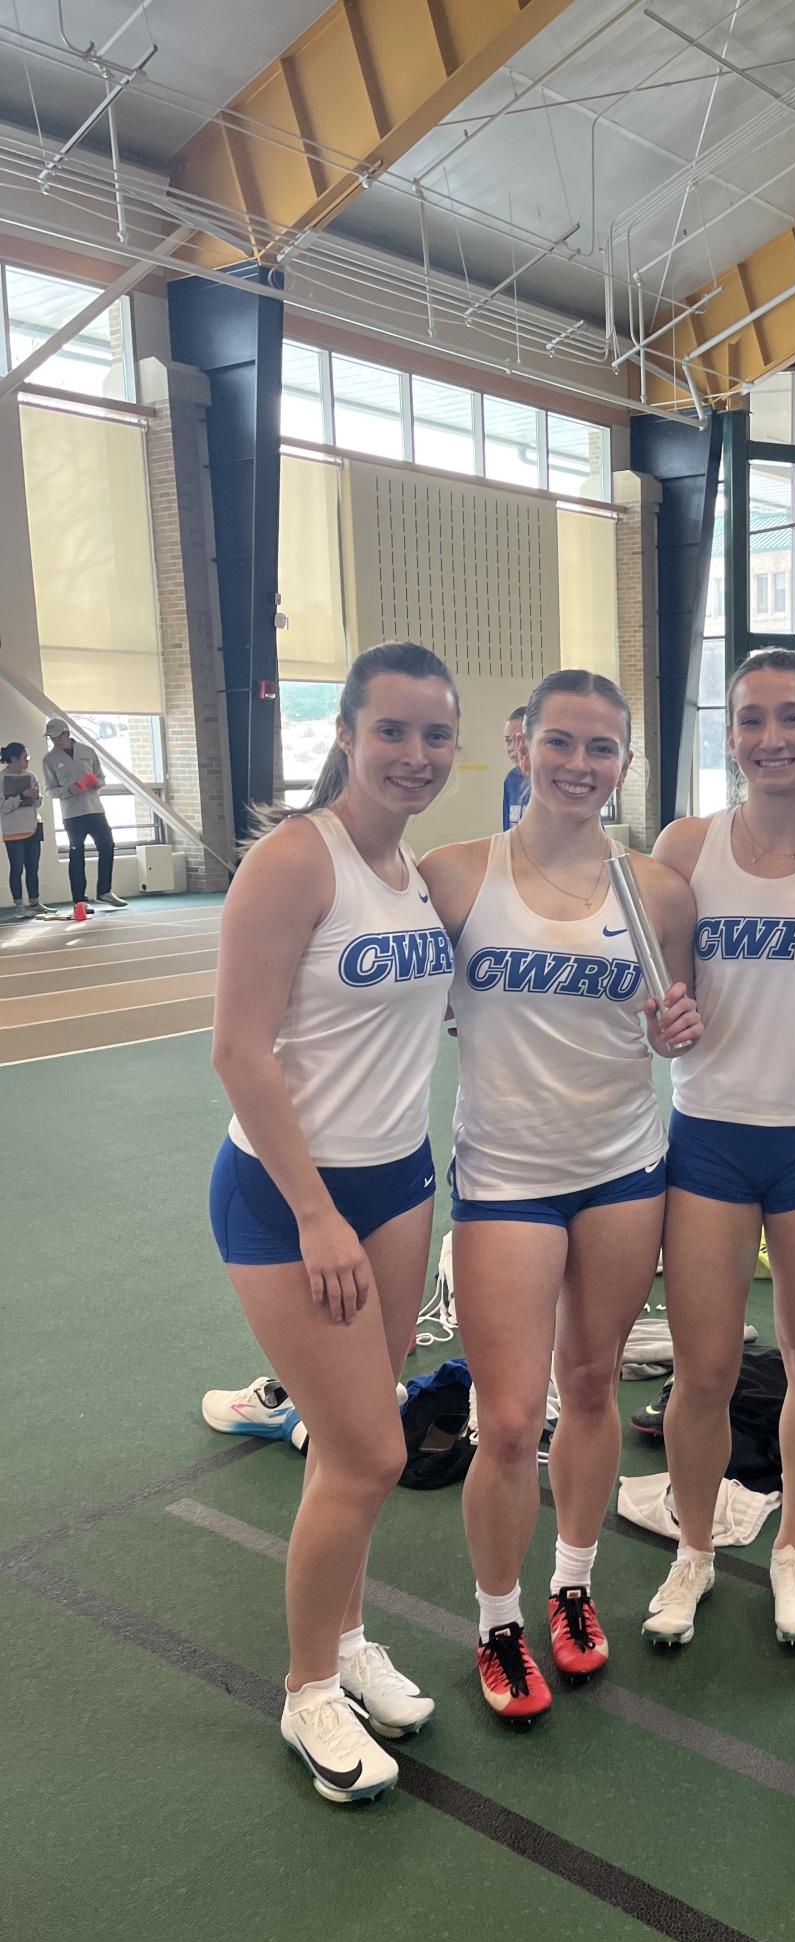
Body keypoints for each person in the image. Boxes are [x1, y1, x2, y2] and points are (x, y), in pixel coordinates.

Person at [421, 669, 702, 1725]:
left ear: (624, 763)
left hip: (625, 1168)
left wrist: (681, 1030)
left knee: (589, 1389)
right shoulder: (454, 878)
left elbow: (683, 1018)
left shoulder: (656, 891)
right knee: (503, 1422)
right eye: (562, 743)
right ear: (522, 743)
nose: (580, 765)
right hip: (505, 1177)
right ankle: (497, 1620)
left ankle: (571, 1588)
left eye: (602, 749)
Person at [209, 642, 460, 1805]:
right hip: (287, 1195)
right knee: (369, 1449)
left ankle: (350, 1638)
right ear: (348, 733)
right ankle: (310, 1686)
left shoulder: (415, 874)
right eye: (393, 731)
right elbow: (238, 1051)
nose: (414, 755)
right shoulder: (293, 861)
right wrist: (314, 1214)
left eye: (434, 736)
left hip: (397, 1185)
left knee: (351, 1442)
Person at [646, 648, 795, 1649]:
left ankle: (792, 1549)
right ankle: (694, 1551)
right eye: (750, 720)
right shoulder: (686, 844)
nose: (771, 739)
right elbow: (653, 987)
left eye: (793, 718)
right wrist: (658, 1019)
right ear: (728, 732)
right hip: (708, 1137)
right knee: (703, 1369)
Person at [42, 718, 124, 908]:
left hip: (95, 809)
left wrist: (97, 783)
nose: (55, 741)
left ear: (66, 734)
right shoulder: (49, 759)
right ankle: (79, 899)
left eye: (57, 737)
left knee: (107, 846)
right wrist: (68, 790)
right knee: (76, 854)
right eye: (51, 738)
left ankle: (105, 891)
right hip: (72, 814)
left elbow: (101, 777)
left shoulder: (88, 751)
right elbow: (49, 791)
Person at [2, 741, 45, 914]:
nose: (27, 761)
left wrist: (36, 796)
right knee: (17, 868)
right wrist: (21, 795)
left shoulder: (31, 776)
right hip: (13, 831)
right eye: (24, 757)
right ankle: (19, 905)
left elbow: (37, 804)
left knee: (33, 867)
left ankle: (35, 902)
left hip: (33, 827)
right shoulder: (1, 778)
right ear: (13, 759)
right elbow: (3, 807)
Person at [502, 705, 530, 830]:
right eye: (508, 740)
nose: (511, 748)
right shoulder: (511, 779)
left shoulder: (550, 780)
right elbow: (507, 831)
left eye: (519, 739)